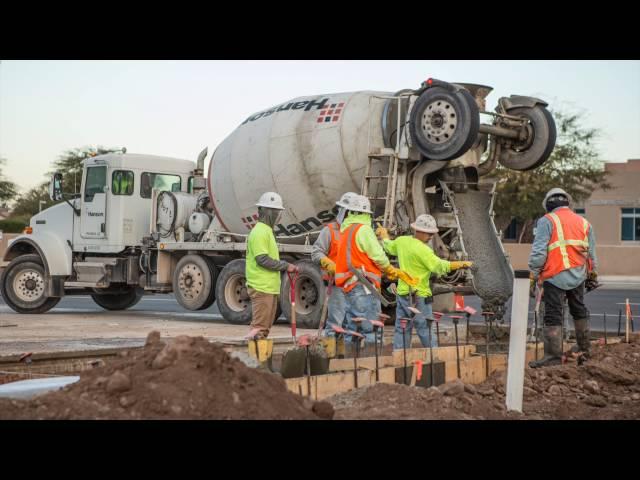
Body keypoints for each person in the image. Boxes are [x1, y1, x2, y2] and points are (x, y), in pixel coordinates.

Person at [377, 214, 473, 350]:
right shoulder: (424, 250)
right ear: (420, 231)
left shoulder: (402, 241)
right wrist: (460, 264)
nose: (431, 237)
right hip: (419, 297)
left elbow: (389, 247)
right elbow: (439, 266)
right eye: (429, 234)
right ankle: (433, 356)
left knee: (402, 327)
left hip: (403, 294)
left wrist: (384, 236)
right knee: (425, 328)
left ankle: (399, 357)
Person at [528, 188, 598, 368]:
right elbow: (591, 254)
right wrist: (591, 274)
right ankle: (585, 350)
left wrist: (533, 275)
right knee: (578, 309)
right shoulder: (584, 222)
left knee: (553, 314)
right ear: (568, 203)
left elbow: (538, 253)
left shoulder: (547, 220)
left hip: (555, 274)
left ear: (548, 205)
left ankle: (553, 356)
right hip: (578, 274)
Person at [334, 193, 416, 346]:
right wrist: (391, 270)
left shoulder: (346, 230)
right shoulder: (363, 230)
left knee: (352, 329)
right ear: (365, 213)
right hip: (364, 287)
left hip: (350, 286)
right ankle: (372, 365)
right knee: (371, 329)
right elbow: (378, 256)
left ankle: (349, 364)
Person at [245, 192, 299, 338]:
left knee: (264, 329)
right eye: (277, 212)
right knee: (259, 330)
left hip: (268, 287)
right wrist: (286, 266)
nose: (279, 216)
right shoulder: (260, 232)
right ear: (269, 212)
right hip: (261, 287)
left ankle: (258, 358)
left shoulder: (267, 231)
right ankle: (253, 359)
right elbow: (262, 259)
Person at [311, 192, 358, 336]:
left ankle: (344, 354)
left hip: (353, 284)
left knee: (351, 323)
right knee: (335, 322)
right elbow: (316, 252)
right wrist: (328, 264)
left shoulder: (357, 232)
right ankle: (330, 352)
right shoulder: (330, 230)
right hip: (336, 283)